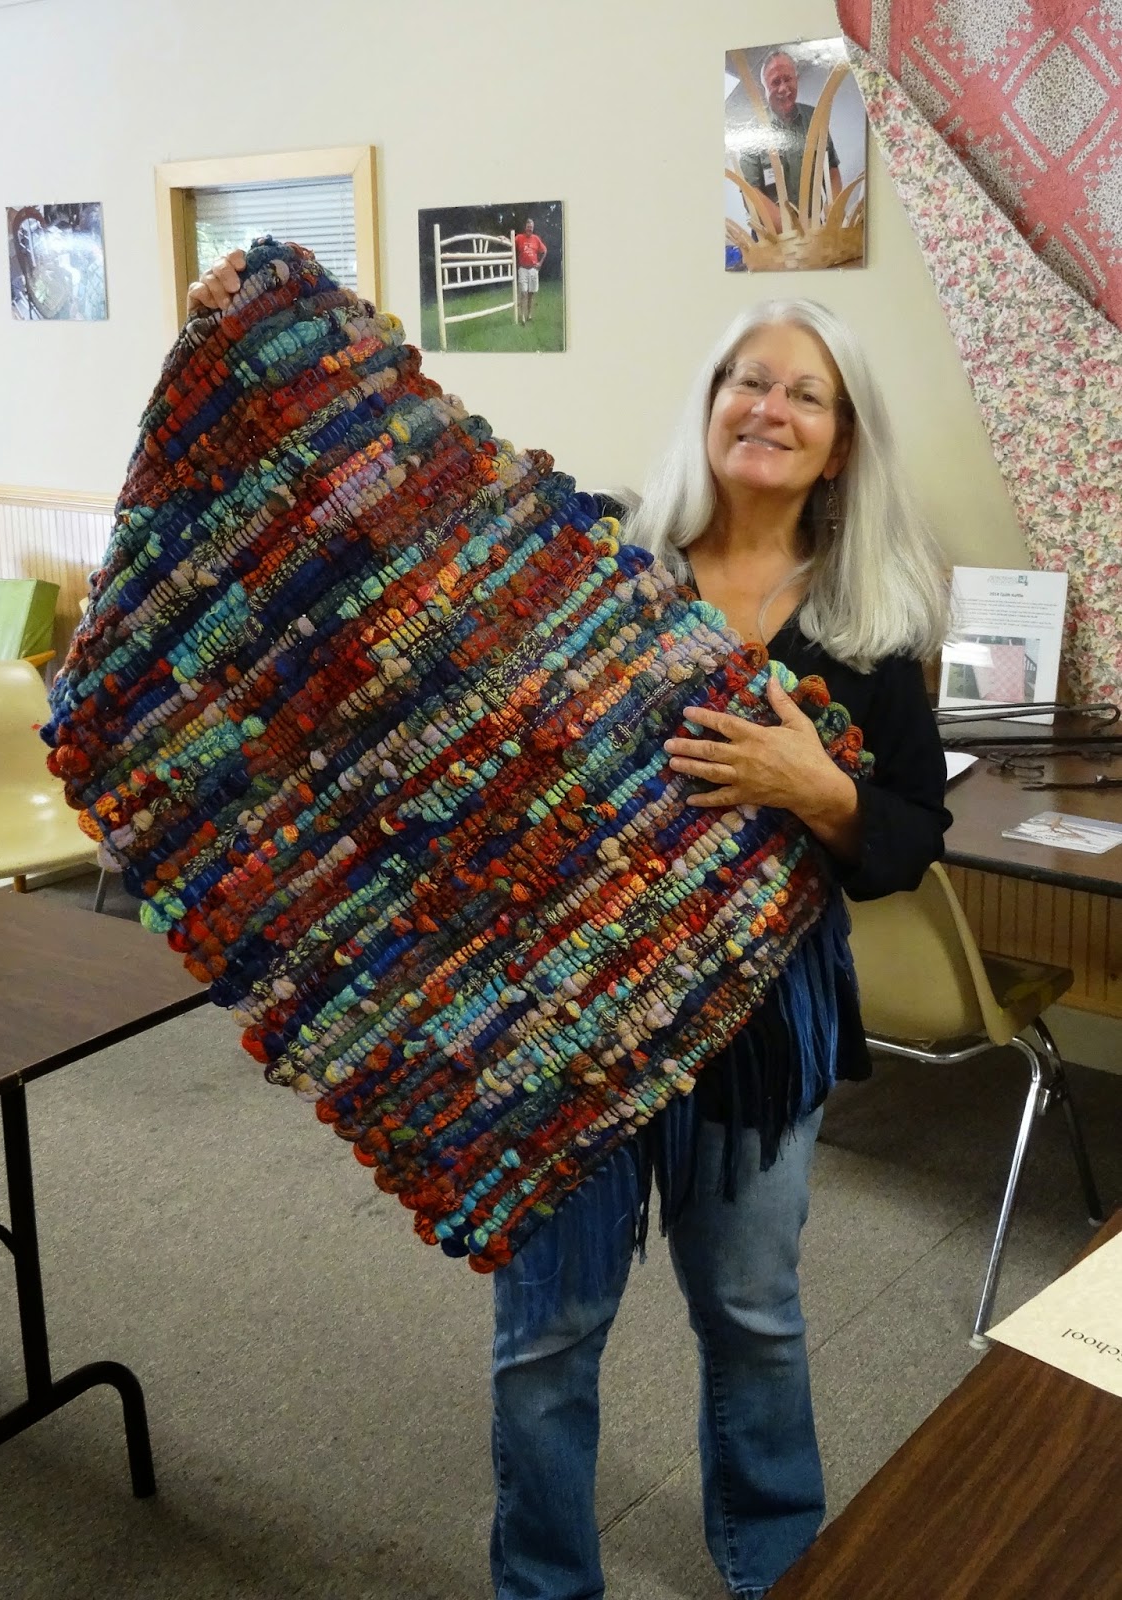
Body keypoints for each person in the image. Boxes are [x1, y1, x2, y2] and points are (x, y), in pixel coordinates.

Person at [187, 256, 950, 1597]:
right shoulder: (597, 557)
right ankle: (543, 1582)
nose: (765, 408)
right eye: (743, 379)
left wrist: (818, 793)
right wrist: (277, 356)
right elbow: (398, 539)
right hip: (554, 1017)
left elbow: (903, 842)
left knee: (752, 1309)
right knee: (548, 1329)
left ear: (838, 445)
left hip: (757, 1025)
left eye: (803, 396)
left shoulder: (871, 631)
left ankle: (775, 1559)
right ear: (709, 401)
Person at [728, 50, 842, 235]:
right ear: (764, 88)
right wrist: (790, 228)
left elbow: (832, 171)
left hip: (815, 230)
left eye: (788, 79)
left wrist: (835, 213)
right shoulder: (753, 131)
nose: (783, 88)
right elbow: (750, 190)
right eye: (775, 82)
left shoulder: (816, 117)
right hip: (773, 237)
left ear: (796, 80)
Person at [514, 216, 547, 325]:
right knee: (523, 293)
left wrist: (540, 263)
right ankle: (522, 316)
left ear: (533, 228)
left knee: (531, 294)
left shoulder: (536, 239)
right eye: (528, 227)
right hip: (523, 269)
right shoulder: (519, 237)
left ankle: (529, 315)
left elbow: (544, 251)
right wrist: (503, 239)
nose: (530, 229)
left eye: (531, 227)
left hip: (533, 270)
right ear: (525, 227)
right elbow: (510, 242)